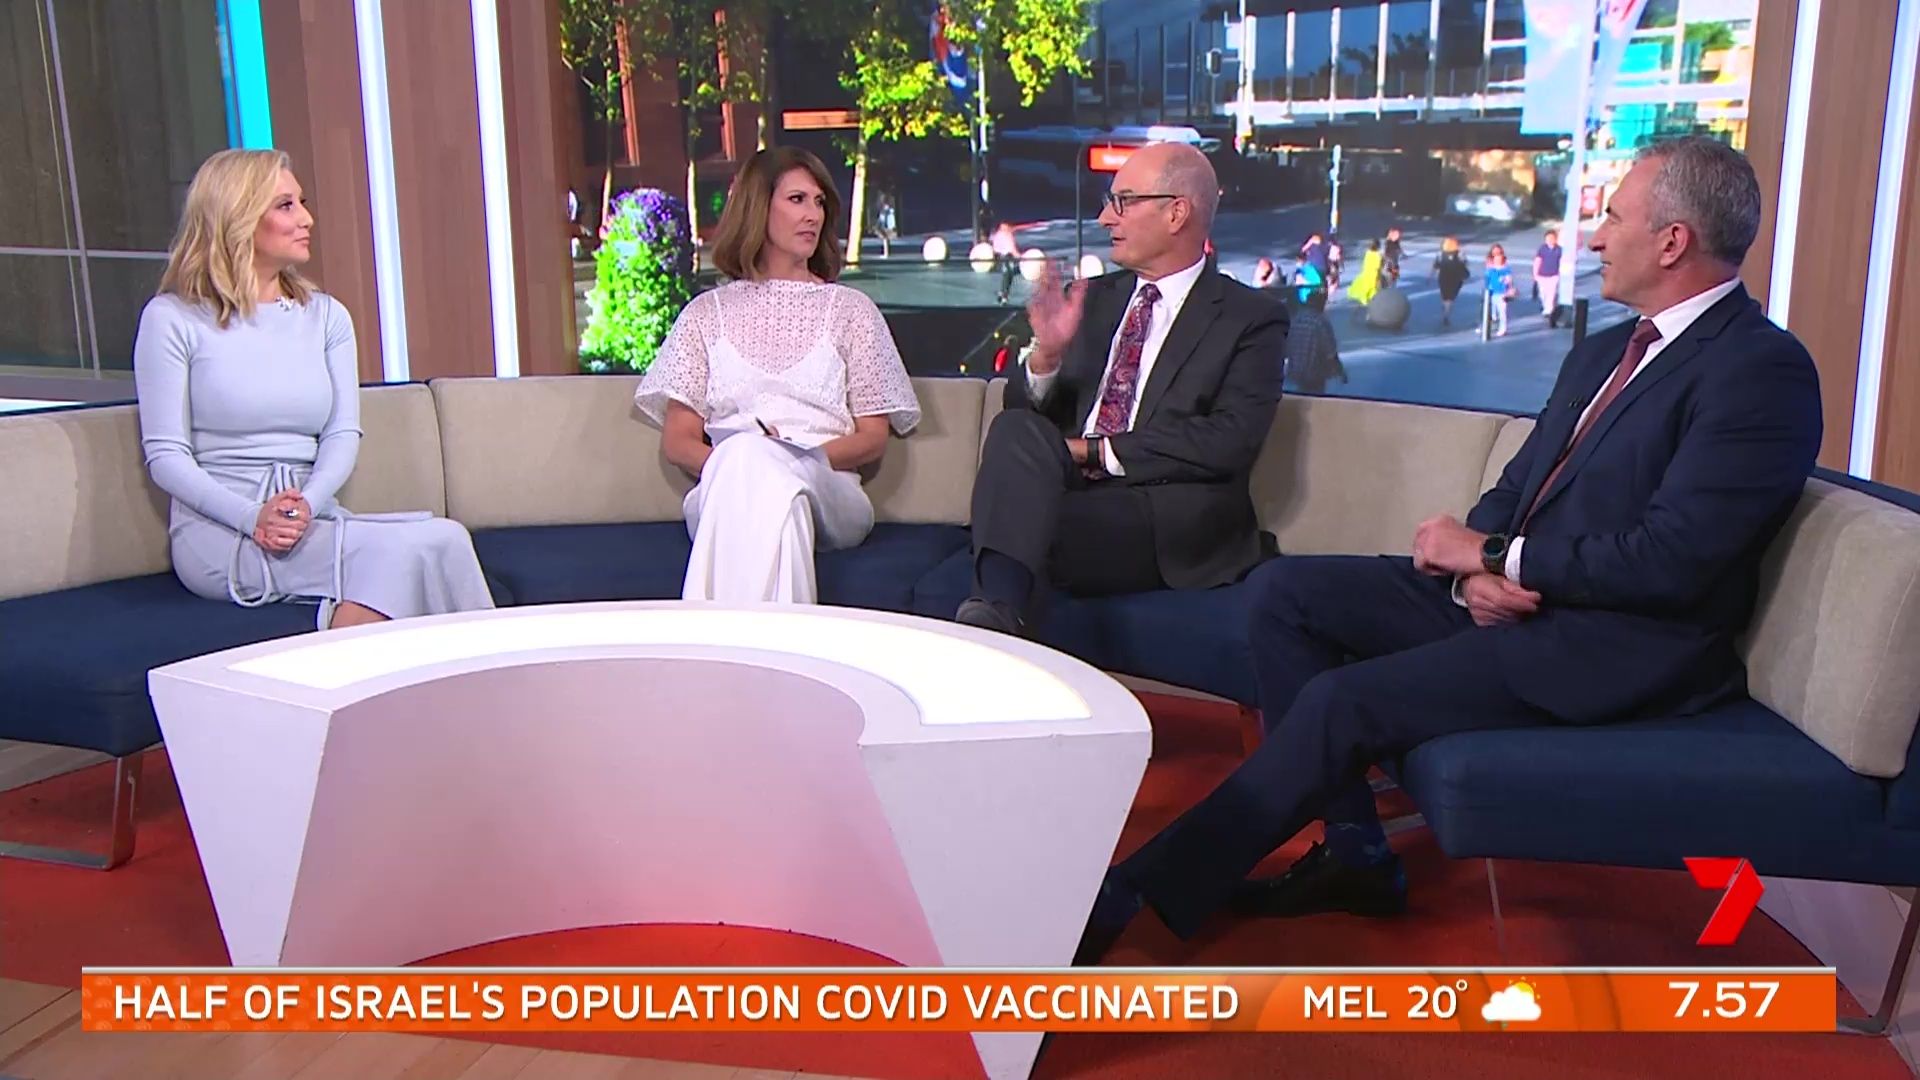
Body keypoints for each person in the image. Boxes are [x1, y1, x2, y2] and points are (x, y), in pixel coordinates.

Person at [1071, 135, 1822, 965]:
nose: (1596, 237)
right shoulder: (1606, 350)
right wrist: (1478, 570)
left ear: (1673, 241)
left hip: (1619, 642)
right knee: (1285, 592)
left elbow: (1674, 560)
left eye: (1613, 217)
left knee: (1346, 700)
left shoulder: (1760, 372)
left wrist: (1499, 558)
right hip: (1521, 596)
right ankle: (1357, 852)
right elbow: (1521, 483)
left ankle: (1135, 894)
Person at [133, 149, 494, 630]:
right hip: (222, 530)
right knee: (403, 554)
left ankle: (410, 670)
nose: (307, 219)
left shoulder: (326, 317)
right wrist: (253, 517)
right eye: (286, 206)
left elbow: (342, 433)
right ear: (238, 217)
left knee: (446, 538)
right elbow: (166, 456)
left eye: (301, 203)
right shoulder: (172, 319)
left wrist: (308, 503)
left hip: (311, 515)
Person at [954, 142, 1289, 636]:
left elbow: (1229, 439)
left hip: (1160, 510)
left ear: (1176, 213)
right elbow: (1029, 421)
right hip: (1069, 487)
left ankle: (994, 605)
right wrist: (1046, 357)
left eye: (1123, 201)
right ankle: (997, 612)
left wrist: (1093, 451)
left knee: (1023, 521)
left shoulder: (1250, 319)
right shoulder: (1094, 300)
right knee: (1012, 429)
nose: (1105, 218)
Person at [635, 146, 920, 605]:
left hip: (828, 487)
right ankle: (784, 643)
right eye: (797, 199)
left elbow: (872, 438)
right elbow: (679, 442)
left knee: (770, 471)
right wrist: (746, 459)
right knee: (760, 473)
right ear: (758, 207)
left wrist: (790, 456)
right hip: (727, 485)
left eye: (819, 202)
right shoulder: (705, 314)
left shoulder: (852, 311)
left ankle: (717, 644)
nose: (813, 215)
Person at [1284, 287, 1346, 395]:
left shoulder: (1296, 320)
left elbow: (1287, 346)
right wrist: (1340, 372)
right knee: (1315, 398)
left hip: (1295, 371)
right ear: (1320, 304)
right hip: (1314, 374)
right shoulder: (1321, 322)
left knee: (1301, 396)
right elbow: (1330, 353)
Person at [1432, 237, 1469, 325]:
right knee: (1451, 297)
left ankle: (1445, 308)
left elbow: (1435, 266)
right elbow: (1464, 265)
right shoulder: (1460, 254)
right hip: (1456, 279)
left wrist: (1430, 277)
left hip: (1443, 278)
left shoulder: (1440, 255)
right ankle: (1446, 313)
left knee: (1445, 296)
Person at [1534, 228, 1565, 328]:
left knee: (1551, 294)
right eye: (1548, 238)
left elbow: (1562, 262)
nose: (1550, 240)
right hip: (1542, 275)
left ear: (1556, 239)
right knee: (1542, 293)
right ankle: (1546, 307)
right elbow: (1537, 261)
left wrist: (1560, 274)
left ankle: (1549, 311)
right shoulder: (1542, 249)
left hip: (1554, 275)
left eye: (1552, 238)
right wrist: (1535, 274)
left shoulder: (1560, 250)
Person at [1484, 244, 1515, 337]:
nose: (1497, 260)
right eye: (1496, 258)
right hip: (1492, 293)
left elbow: (1509, 281)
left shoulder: (1505, 270)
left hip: (1502, 294)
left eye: (1499, 258)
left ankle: (1503, 329)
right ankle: (1491, 326)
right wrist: (1487, 290)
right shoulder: (1491, 270)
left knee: (1502, 312)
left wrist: (1508, 287)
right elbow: (1487, 280)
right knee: (1493, 312)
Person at [1345, 239, 1384, 309]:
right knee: (1373, 286)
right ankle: (1368, 298)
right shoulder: (1377, 255)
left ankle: (1366, 298)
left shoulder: (1368, 253)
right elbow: (1378, 265)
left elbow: (1365, 263)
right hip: (1374, 273)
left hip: (1367, 271)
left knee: (1367, 285)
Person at [873, 191, 898, 259]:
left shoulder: (887, 208)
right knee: (885, 239)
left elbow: (886, 216)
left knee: (885, 239)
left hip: (887, 224)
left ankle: (886, 253)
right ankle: (886, 253)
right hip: (886, 223)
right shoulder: (885, 209)